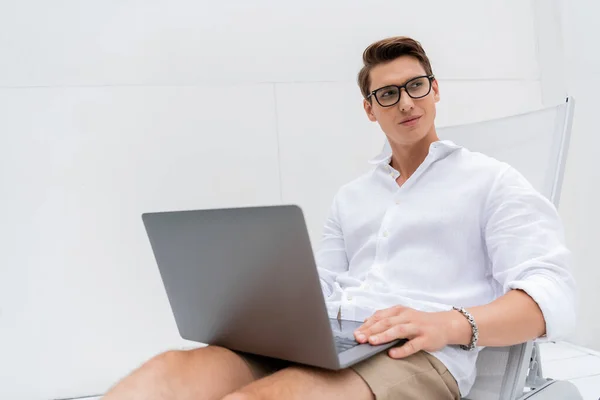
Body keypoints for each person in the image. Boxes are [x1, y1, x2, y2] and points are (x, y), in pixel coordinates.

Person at [103, 36, 576, 400]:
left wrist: (447, 323)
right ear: (370, 110)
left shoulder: (492, 181)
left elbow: (551, 298)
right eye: (387, 94)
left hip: (419, 353)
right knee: (170, 373)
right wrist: (259, 309)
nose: (406, 102)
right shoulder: (353, 197)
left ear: (434, 90)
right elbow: (323, 283)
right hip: (330, 337)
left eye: (415, 86)